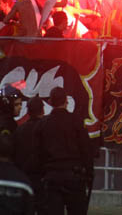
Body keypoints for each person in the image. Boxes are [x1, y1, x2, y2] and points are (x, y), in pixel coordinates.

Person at [32, 86, 93, 215]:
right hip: (74, 176)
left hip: (51, 176)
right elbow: (86, 149)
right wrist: (89, 173)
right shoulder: (76, 121)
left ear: (50, 102)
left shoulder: (42, 124)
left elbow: (37, 153)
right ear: (66, 101)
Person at [0, 85, 23, 150]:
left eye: (20, 104)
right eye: (16, 104)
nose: (20, 107)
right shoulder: (8, 124)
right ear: (7, 105)